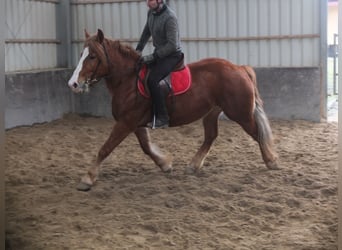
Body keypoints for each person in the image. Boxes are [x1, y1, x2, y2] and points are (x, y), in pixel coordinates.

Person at [136, 0, 183, 129]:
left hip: (172, 56)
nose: (147, 3)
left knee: (152, 80)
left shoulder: (170, 18)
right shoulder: (151, 13)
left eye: (150, 0)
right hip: (160, 54)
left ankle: (163, 117)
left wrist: (153, 56)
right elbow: (146, 33)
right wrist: (138, 51)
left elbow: (172, 45)